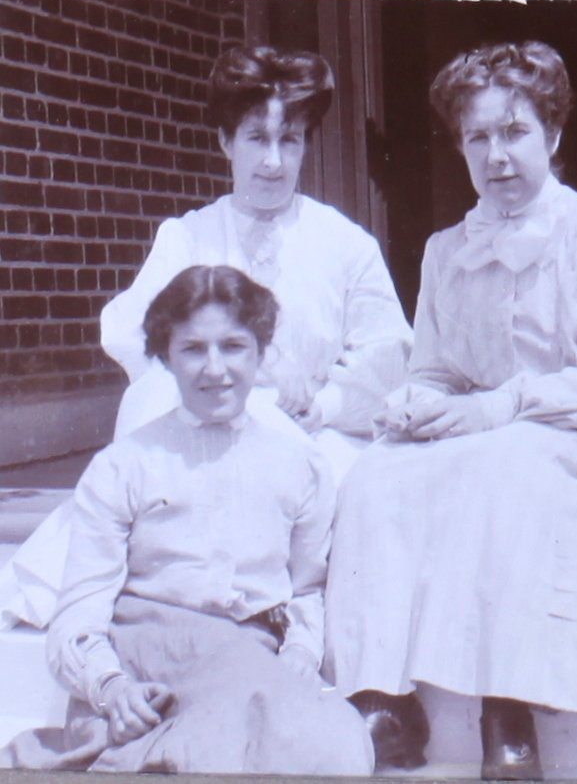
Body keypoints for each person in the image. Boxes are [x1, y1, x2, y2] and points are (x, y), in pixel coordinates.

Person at [323, 41, 577, 778]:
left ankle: (508, 709)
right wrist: (417, 406)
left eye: (514, 132)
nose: (496, 156)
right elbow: (433, 367)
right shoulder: (442, 250)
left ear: (552, 135)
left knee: (508, 465)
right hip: (482, 432)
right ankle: (379, 697)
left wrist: (496, 410)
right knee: (376, 472)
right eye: (477, 137)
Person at [0, 44, 411, 630]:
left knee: (350, 489)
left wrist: (320, 402)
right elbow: (130, 331)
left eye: (288, 140)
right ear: (225, 143)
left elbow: (388, 356)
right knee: (148, 413)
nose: (272, 161)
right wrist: (246, 375)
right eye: (255, 139)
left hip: (306, 434)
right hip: (199, 423)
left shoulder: (345, 245)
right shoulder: (189, 237)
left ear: (305, 146)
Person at [0, 266, 374, 775]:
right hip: (142, 661)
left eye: (233, 346)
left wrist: (302, 653)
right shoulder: (125, 464)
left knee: (338, 747)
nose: (214, 369)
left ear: (261, 353)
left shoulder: (298, 464)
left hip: (247, 656)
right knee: (224, 749)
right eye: (193, 349)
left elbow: (306, 588)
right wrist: (110, 687)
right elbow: (79, 611)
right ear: (165, 358)